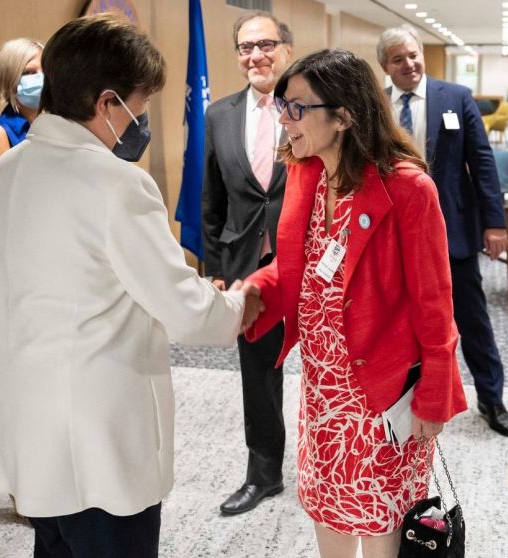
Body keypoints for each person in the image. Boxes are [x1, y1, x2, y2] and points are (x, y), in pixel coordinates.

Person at [0, 14, 254, 557]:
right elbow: (188, 310)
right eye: (140, 107)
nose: (139, 123)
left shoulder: (8, 170)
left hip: (32, 425)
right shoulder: (117, 183)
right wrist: (241, 302)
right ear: (107, 103)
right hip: (98, 440)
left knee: (54, 546)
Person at [243, 48, 467, 558]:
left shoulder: (408, 188)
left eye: (297, 108)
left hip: (380, 394)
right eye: (283, 106)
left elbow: (435, 301)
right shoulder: (306, 175)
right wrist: (256, 291)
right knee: (329, 516)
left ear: (344, 115)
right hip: (323, 392)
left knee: (382, 522)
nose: (284, 119)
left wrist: (436, 391)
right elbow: (295, 268)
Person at [377, 24, 508, 436]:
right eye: (398, 59)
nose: (409, 64)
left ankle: (490, 397)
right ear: (385, 66)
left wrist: (494, 222)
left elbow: (482, 163)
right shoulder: (375, 105)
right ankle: (403, 399)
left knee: (471, 317)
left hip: (453, 230)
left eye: (413, 55)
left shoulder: (455, 98)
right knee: (399, 320)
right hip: (393, 233)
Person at [201, 12, 293, 515]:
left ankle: (341, 466)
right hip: (245, 265)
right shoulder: (219, 115)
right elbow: (211, 197)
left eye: (264, 44)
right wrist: (216, 266)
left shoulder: (311, 105)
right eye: (244, 48)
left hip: (307, 262)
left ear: (286, 49)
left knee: (332, 370)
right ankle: (264, 475)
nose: (254, 55)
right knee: (257, 377)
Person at [0, 38, 43, 185]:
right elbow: (0, 200)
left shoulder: (53, 127)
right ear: (10, 79)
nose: (41, 78)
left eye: (46, 70)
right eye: (30, 72)